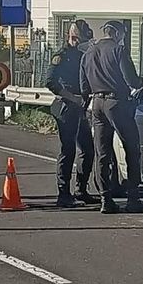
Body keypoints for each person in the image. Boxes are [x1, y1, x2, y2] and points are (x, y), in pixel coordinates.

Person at [80, 20, 143, 214]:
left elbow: (83, 85)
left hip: (97, 104)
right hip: (117, 103)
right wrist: (141, 82)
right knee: (131, 149)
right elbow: (131, 80)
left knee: (102, 154)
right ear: (118, 33)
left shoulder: (88, 53)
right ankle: (133, 198)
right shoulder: (119, 50)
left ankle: (105, 199)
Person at [46, 20, 98, 208]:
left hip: (80, 108)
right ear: (74, 38)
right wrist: (71, 97)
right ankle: (63, 194)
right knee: (68, 150)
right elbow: (50, 81)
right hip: (66, 107)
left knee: (87, 149)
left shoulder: (82, 55)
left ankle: (81, 189)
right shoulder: (62, 55)